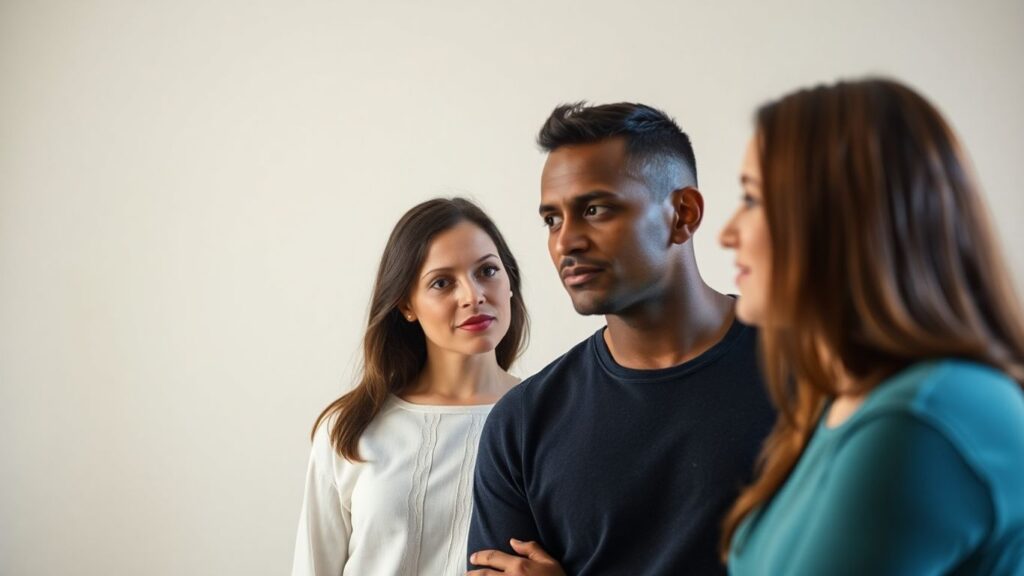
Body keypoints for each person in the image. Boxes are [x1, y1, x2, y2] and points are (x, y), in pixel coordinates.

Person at [719, 78, 1024, 574]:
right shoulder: (840, 400)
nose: (726, 233)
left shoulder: (921, 419)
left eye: (752, 199)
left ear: (838, 217)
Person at [467, 103, 776, 575]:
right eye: (552, 220)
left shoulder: (811, 367)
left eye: (595, 210)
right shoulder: (523, 423)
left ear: (683, 214)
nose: (565, 242)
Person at [291, 197, 529, 576]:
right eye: (442, 283)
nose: (473, 296)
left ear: (510, 281)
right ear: (407, 305)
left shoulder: (553, 420)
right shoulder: (350, 427)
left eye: (487, 271)